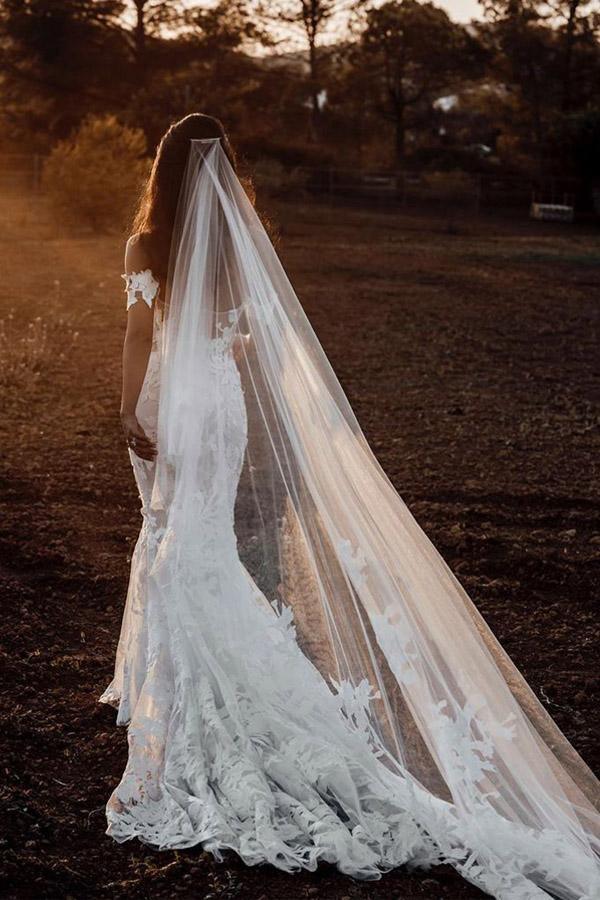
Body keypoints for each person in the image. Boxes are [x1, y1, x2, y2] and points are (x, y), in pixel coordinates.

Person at [101, 113, 600, 899]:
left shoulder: (146, 245)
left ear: (161, 170)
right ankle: (222, 676)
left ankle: (207, 694)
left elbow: (138, 336)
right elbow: (248, 343)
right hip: (221, 405)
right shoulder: (238, 241)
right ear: (224, 171)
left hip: (178, 399)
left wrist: (130, 408)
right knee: (199, 545)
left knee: (175, 550)